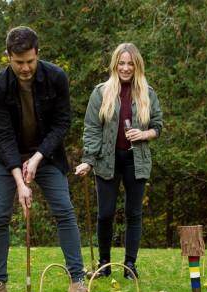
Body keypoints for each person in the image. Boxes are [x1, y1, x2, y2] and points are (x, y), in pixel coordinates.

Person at [0, 26, 90, 292]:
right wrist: (20, 181)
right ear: (8, 57)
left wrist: (37, 157)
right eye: (19, 63)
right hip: (7, 158)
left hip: (47, 155)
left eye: (30, 61)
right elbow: (3, 135)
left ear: (38, 53)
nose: (25, 68)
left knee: (64, 210)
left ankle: (77, 280)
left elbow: (62, 123)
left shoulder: (56, 77)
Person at [75, 43, 163, 280]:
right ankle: (104, 263)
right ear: (115, 64)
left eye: (130, 64)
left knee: (134, 213)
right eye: (121, 63)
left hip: (137, 159)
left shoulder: (148, 93)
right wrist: (88, 161)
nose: (125, 68)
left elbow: (158, 126)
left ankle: (130, 265)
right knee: (105, 213)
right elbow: (92, 129)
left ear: (137, 66)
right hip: (106, 161)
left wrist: (143, 134)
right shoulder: (101, 92)